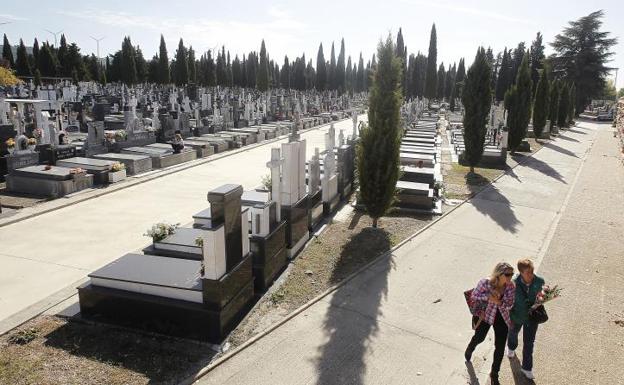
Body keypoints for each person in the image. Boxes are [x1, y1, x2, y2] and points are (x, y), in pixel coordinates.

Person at [465, 262, 515, 385]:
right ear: (499, 274)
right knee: (479, 338)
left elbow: (510, 304)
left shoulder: (511, 286)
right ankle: (470, 348)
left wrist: (499, 302)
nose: (510, 277)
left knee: (500, 347)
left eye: (512, 274)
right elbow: (474, 296)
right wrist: (489, 297)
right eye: (507, 274)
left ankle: (494, 375)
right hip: (485, 316)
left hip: (502, 318)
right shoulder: (485, 282)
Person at [507, 259, 545, 380]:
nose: (531, 274)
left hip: (531, 318)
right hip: (516, 316)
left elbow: (541, 296)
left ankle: (527, 368)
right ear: (521, 272)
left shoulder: (539, 281)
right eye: (528, 272)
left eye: (532, 270)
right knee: (513, 334)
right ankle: (511, 347)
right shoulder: (513, 283)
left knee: (529, 343)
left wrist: (544, 295)